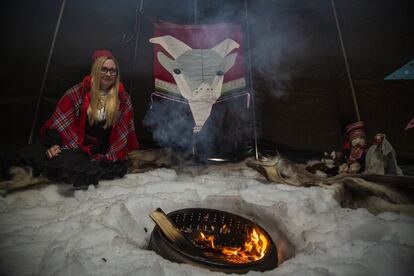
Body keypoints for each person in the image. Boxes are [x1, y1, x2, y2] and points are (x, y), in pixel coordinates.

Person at [0, 50, 139, 190]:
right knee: (38, 154)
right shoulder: (78, 92)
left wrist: (109, 157)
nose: (108, 74)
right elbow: (60, 123)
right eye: (104, 69)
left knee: (74, 164)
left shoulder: (123, 99)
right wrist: (54, 144)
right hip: (72, 142)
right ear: (96, 70)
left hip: (97, 150)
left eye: (112, 71)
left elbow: (121, 134)